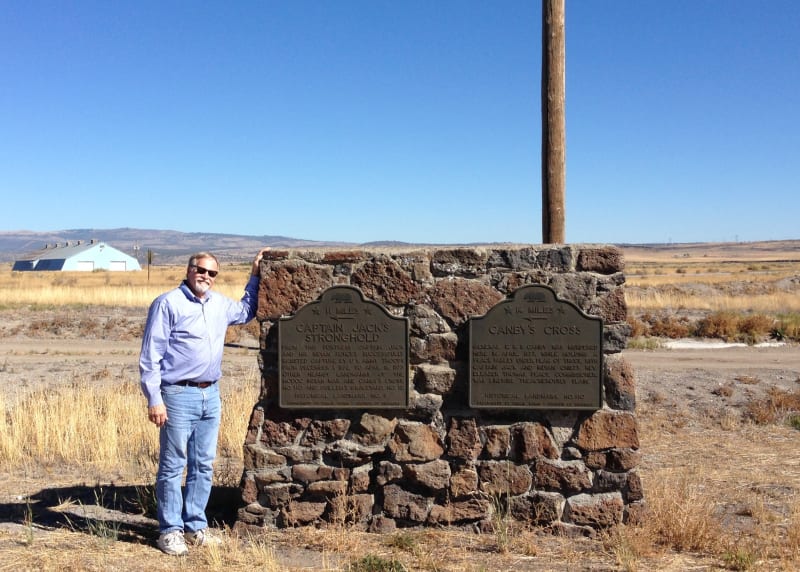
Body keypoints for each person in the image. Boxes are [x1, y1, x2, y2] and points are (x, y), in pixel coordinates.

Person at [139, 248, 268, 556]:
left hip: (210, 394)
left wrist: (254, 275)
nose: (205, 276)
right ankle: (170, 531)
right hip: (177, 394)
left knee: (203, 464)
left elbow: (246, 311)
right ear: (188, 269)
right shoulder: (168, 303)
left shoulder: (219, 304)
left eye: (212, 273)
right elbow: (150, 357)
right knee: (173, 466)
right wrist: (154, 399)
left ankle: (195, 525)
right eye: (201, 270)